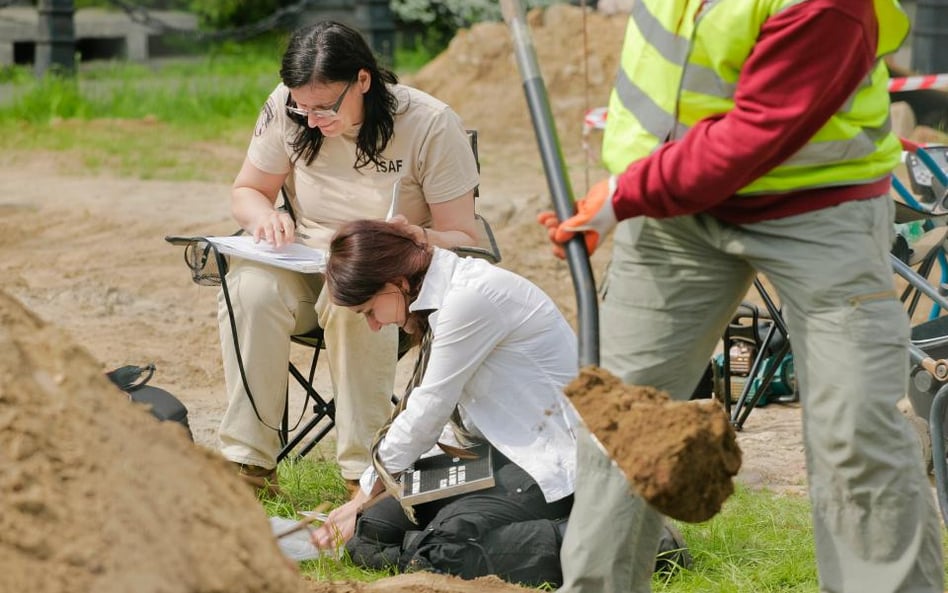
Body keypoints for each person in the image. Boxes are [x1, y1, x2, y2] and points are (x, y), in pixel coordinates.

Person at [538, 1, 945, 592]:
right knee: (621, 424)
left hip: (819, 206)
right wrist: (628, 187)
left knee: (855, 435)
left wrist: (622, 195)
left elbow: (758, 131)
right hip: (672, 211)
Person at [217, 20, 481, 493]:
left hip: (389, 275)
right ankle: (249, 467)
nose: (313, 119)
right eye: (303, 108)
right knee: (248, 288)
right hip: (304, 260)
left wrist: (416, 237)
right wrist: (263, 218)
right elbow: (248, 191)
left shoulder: (428, 123)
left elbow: (465, 236)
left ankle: (362, 476)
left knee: (353, 301)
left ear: (363, 80)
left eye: (325, 107)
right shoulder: (287, 106)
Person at [309, 219, 578, 586]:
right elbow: (436, 418)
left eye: (369, 310)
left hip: (548, 463)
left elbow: (428, 408)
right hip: (494, 453)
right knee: (370, 531)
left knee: (443, 552)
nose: (374, 325)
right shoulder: (441, 296)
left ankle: (618, 539)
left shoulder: (469, 299)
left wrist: (358, 499)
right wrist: (364, 502)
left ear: (397, 284)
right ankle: (429, 547)